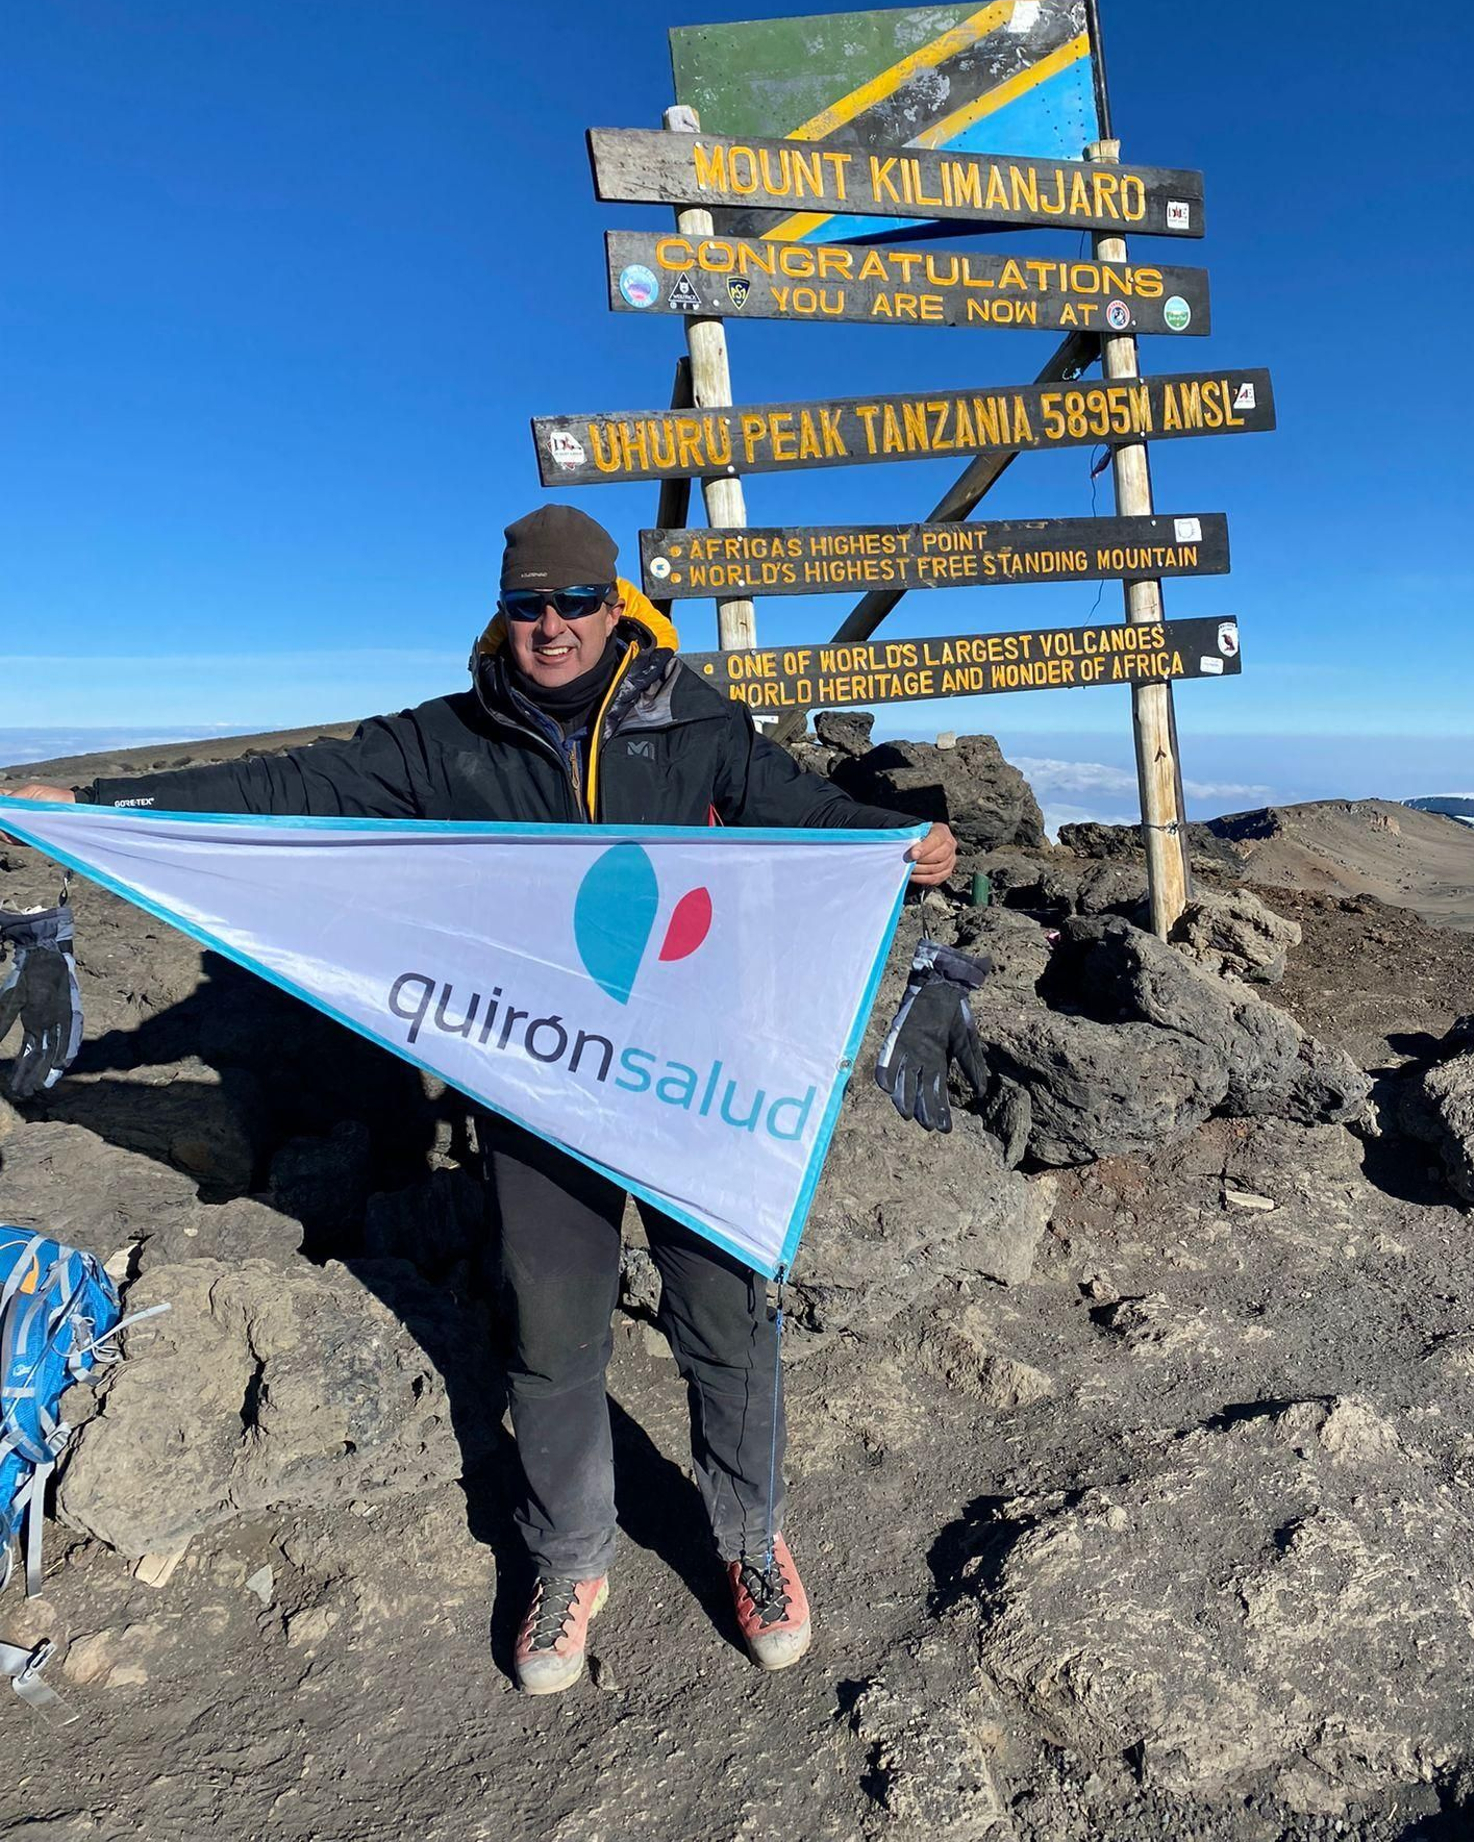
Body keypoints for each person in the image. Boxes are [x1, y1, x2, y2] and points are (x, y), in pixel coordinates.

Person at [3, 505, 956, 1695]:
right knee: (552, 1337)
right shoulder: (445, 739)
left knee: (725, 1319)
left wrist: (897, 839)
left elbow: (803, 815)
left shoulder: (696, 722)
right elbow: (289, 784)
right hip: (537, 1079)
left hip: (693, 1078)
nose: (548, 626)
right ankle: (569, 1558)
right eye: (525, 605)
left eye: (570, 603)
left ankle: (747, 1538)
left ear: (615, 609)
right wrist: (103, 803)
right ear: (500, 613)